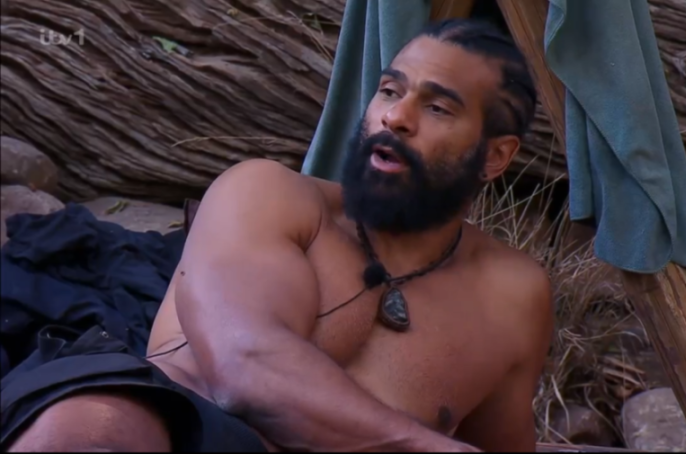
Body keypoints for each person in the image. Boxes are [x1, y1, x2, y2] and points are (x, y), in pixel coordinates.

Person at [1, 18, 553, 452]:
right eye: (389, 91)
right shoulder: (269, 194)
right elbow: (245, 369)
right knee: (95, 418)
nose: (395, 118)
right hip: (192, 435)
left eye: (436, 107)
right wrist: (428, 446)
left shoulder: (512, 295)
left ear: (495, 156)